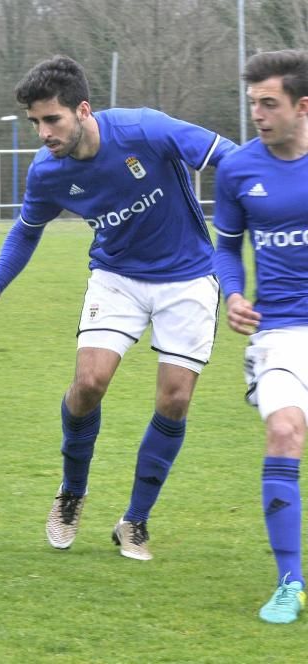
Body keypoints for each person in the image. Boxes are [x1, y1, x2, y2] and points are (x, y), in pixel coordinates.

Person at [0, 55, 236, 561]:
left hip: (190, 278)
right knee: (88, 384)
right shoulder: (47, 172)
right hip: (116, 278)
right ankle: (71, 492)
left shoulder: (145, 129)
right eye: (35, 122)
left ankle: (135, 521)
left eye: (52, 119)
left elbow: (231, 159)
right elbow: (27, 230)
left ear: (83, 110)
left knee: (174, 400)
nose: (43, 133)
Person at [213, 49, 308, 624]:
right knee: (283, 430)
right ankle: (290, 580)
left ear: (303, 106)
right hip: (279, 331)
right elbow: (226, 246)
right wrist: (233, 293)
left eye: (269, 104)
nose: (258, 115)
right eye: (253, 104)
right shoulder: (237, 169)